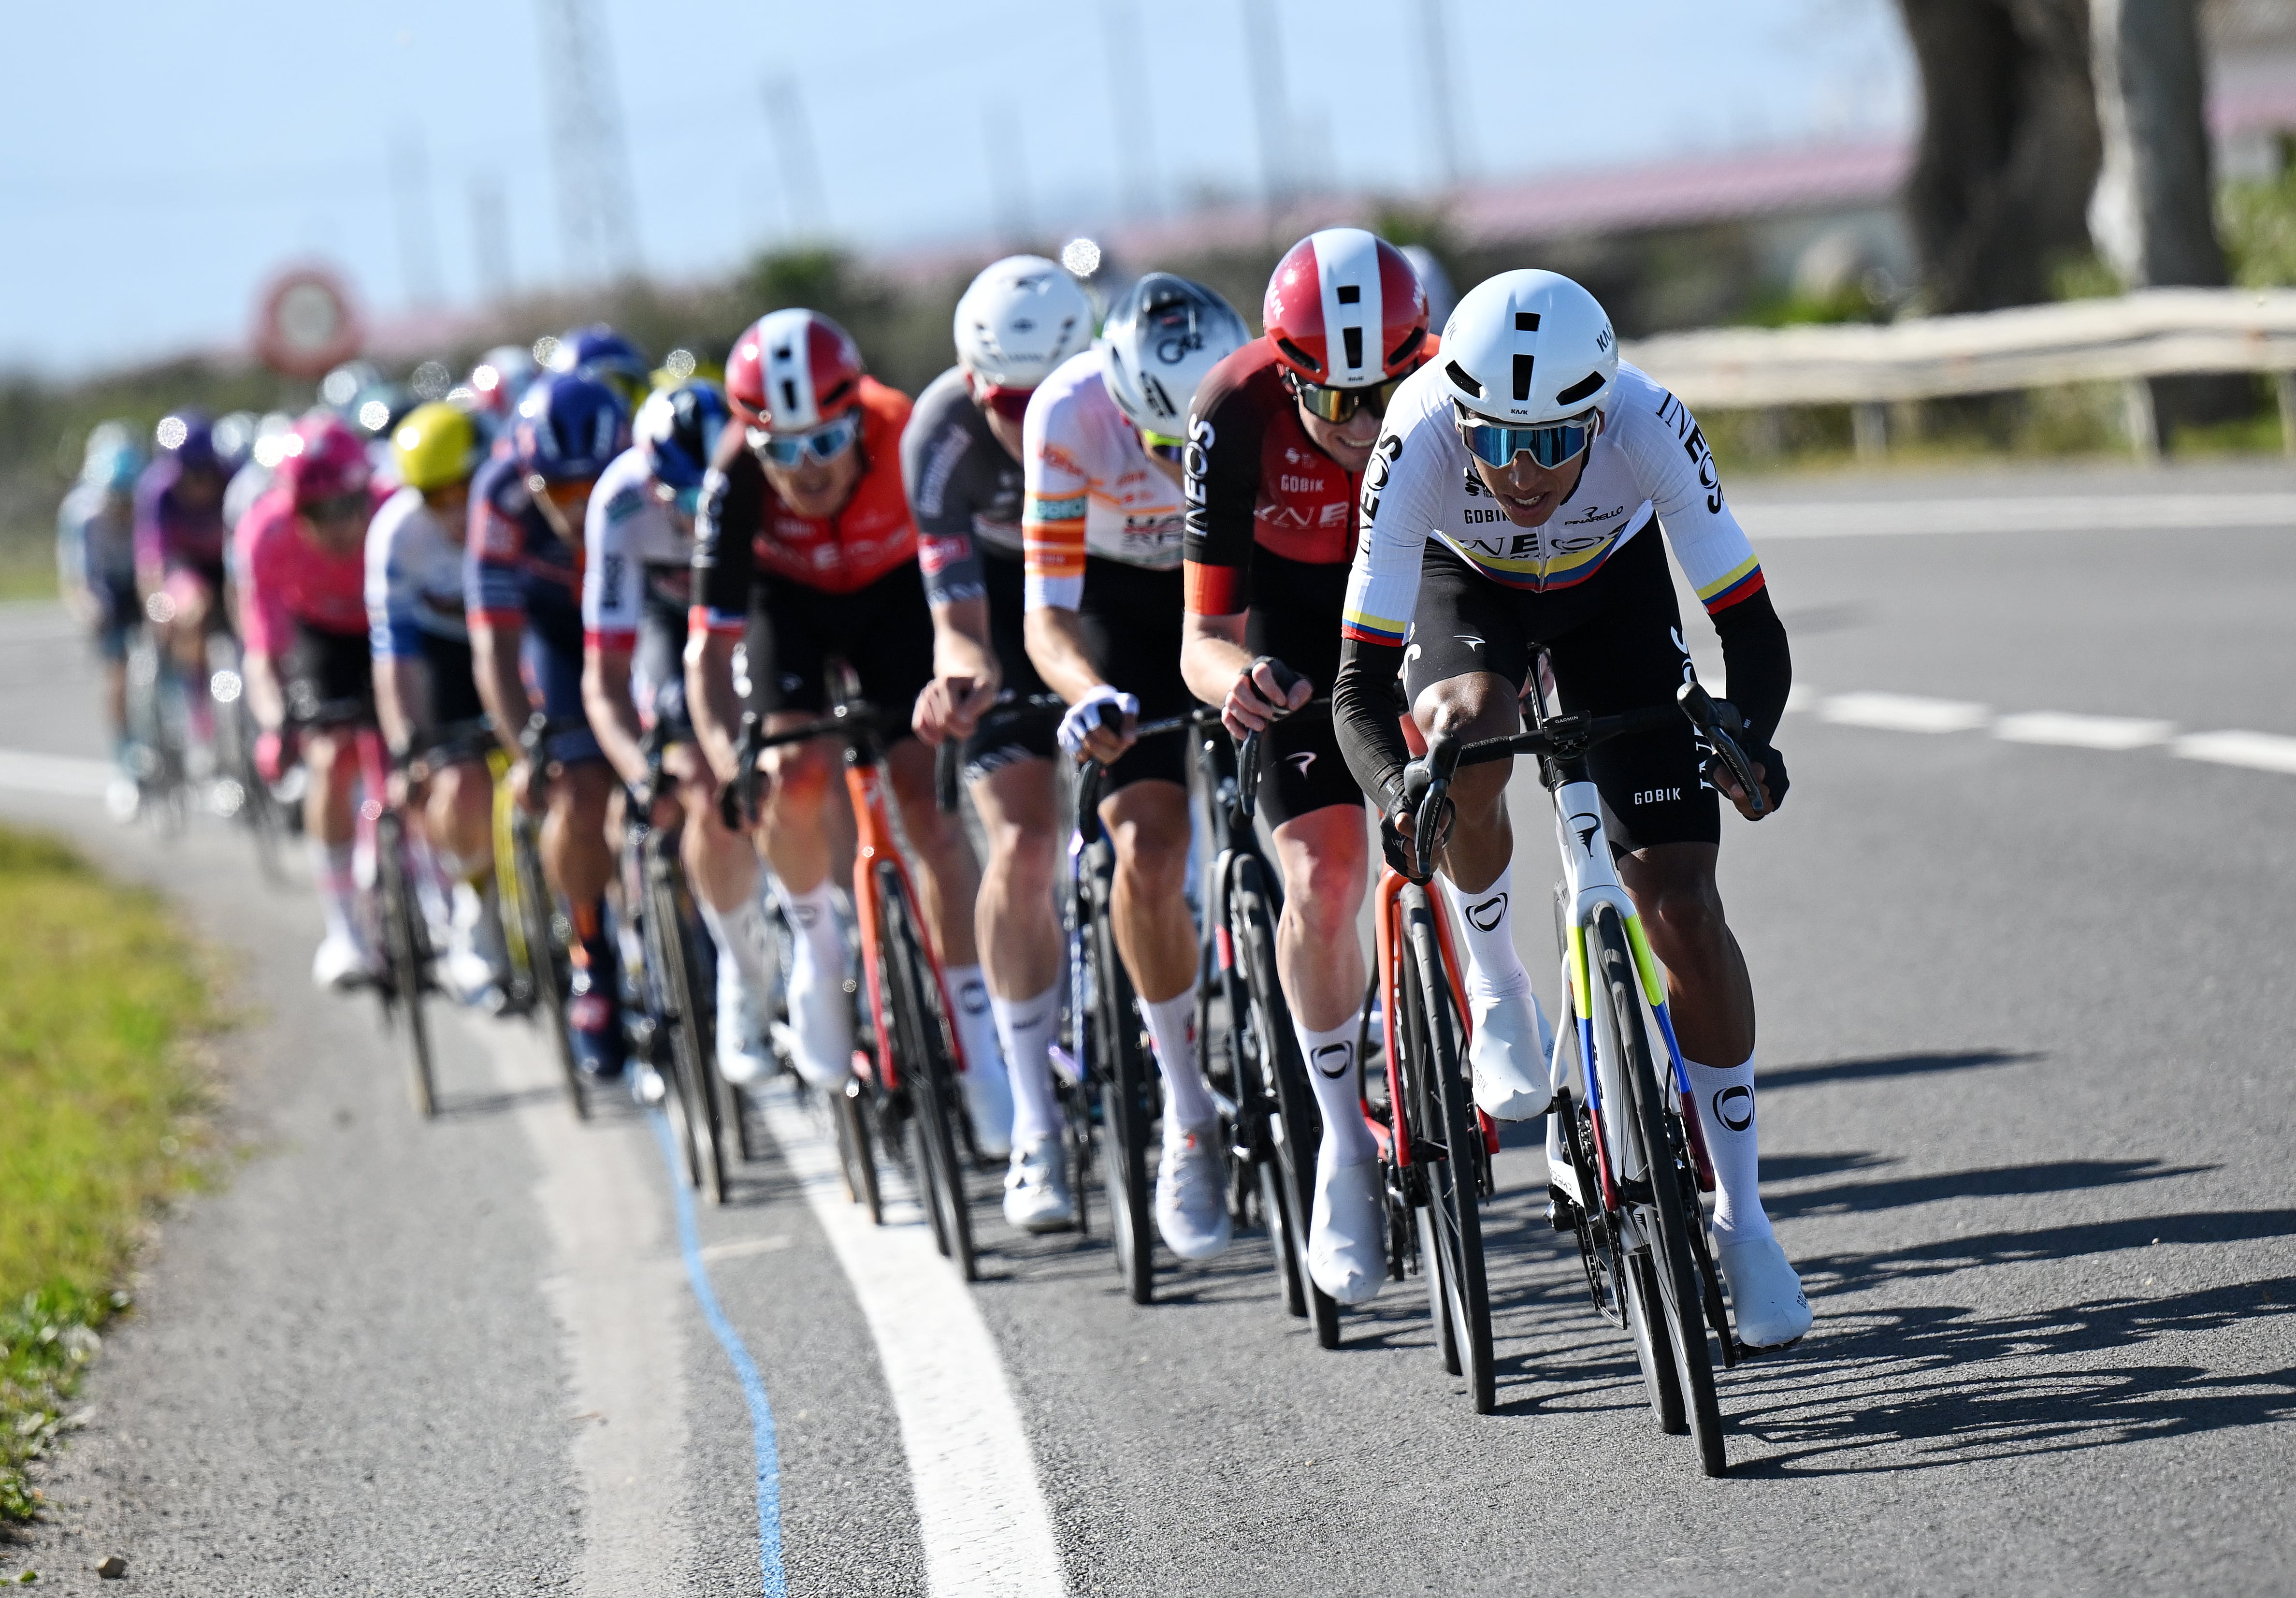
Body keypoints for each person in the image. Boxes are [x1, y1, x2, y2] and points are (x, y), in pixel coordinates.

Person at [1329, 268, 1811, 1349]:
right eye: (1494, 441)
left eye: (1554, 444)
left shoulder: (1647, 421)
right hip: (1470, 595)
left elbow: (1751, 628)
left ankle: (1743, 1222)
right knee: (1461, 735)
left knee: (1682, 902)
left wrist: (1748, 736)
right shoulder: (1413, 441)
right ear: (1457, 414)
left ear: (1597, 414)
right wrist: (1396, 786)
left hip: (1613, 590)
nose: (1521, 472)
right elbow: (1356, 687)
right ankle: (1500, 990)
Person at [1180, 228, 1435, 1304]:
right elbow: (1198, 639)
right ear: (1287, 377)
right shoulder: (1229, 413)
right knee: (1325, 878)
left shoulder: (1442, 384)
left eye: (1385, 393)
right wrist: (1235, 678)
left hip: (1418, 600)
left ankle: (1478, 1013)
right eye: (1334, 405)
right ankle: (1339, 1145)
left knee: (1458, 811)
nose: (1366, 427)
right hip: (1293, 629)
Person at [686, 308, 1007, 1140]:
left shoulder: (905, 432)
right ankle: (819, 953)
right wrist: (731, 763)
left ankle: (982, 1047)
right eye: (782, 451)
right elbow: (707, 657)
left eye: (825, 443)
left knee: (927, 803)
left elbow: (966, 583)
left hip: (897, 597)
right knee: (790, 775)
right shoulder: (734, 479)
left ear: (859, 418)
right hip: (785, 603)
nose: (807, 471)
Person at [1019, 273, 1249, 1260]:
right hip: (1124, 605)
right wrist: (1086, 698)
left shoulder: (1254, 394)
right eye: (1160, 450)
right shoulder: (1066, 413)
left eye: (1189, 448)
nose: (1175, 469)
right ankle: (1188, 1113)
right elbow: (1047, 617)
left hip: (1239, 583)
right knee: (1145, 853)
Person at [906, 254, 1097, 1230]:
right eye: (1002, 403)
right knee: (1020, 849)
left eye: (1046, 400)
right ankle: (1032, 1124)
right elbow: (951, 612)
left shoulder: (1121, 402)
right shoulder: (938, 435)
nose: (1026, 426)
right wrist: (959, 673)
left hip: (1110, 610)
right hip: (1007, 622)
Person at [580, 379, 780, 1090]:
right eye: (688, 503)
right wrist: (639, 769)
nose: (703, 518)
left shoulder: (757, 466)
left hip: (748, 602)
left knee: (790, 745)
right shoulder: (619, 501)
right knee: (699, 777)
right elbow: (602, 678)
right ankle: (738, 969)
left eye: (713, 499)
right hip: (667, 629)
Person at [468, 372, 632, 1077]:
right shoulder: (499, 497)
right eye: (555, 492)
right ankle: (591, 950)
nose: (574, 509)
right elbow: (494, 648)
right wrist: (525, 749)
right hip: (555, 632)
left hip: (633, 616)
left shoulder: (638, 483)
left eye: (587, 490)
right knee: (578, 787)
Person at [237, 414, 389, 987]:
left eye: (350, 505)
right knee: (331, 755)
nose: (341, 525)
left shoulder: (394, 509)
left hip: (387, 627)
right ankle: (344, 931)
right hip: (320, 634)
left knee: (413, 757)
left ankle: (430, 890)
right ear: (292, 509)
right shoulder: (265, 535)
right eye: (318, 513)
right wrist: (278, 727)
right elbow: (262, 655)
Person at [367, 400, 505, 1002]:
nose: (451, 511)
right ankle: (478, 907)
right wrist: (408, 749)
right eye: (433, 498)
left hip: (512, 639)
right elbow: (396, 656)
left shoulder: (510, 504)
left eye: (460, 491)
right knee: (457, 786)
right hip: (442, 655)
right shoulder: (396, 534)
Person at [58, 423, 147, 795]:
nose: (125, 510)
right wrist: (90, 609)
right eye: (117, 500)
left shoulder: (150, 504)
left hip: (143, 578)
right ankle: (123, 758)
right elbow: (78, 580)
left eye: (131, 500)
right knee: (116, 671)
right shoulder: (82, 514)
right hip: (105, 586)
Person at [133, 411, 234, 728]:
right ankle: (199, 704)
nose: (198, 484)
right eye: (188, 475)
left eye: (203, 473)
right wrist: (159, 608)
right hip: (184, 567)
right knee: (194, 608)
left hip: (228, 562)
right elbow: (153, 561)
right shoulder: (158, 492)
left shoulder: (232, 479)